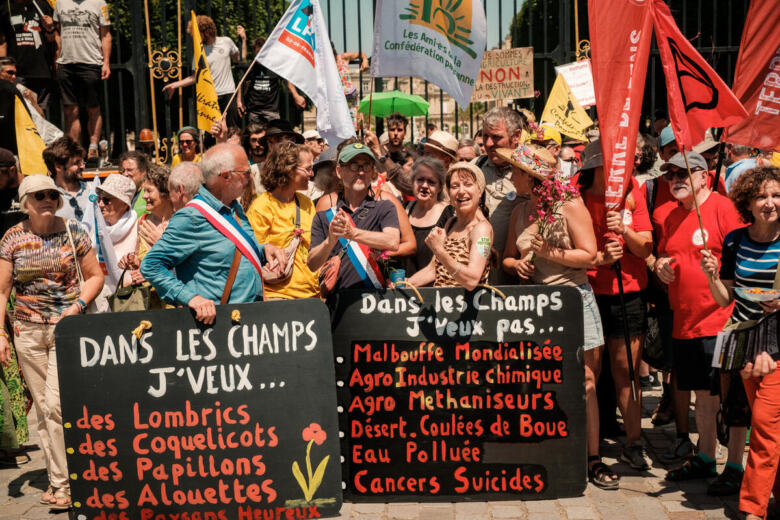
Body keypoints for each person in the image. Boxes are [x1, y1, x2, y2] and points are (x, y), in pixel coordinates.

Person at [501, 144, 609, 487]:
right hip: (537, 305)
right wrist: (516, 263)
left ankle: (593, 458)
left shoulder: (568, 205)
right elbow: (505, 256)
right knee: (542, 381)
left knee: (586, 383)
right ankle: (553, 451)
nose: (511, 175)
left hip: (574, 299)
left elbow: (590, 255)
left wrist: (549, 251)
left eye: (516, 171)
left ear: (530, 177)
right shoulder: (520, 210)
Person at [0, 175, 103, 509]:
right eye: (39, 195)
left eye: (51, 194)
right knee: (45, 411)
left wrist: (76, 308)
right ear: (25, 201)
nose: (47, 199)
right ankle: (62, 481)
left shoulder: (74, 232)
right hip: (27, 334)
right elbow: (2, 291)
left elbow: (96, 276)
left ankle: (67, 484)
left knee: (56, 406)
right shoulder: (12, 237)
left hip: (66, 329)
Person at [653, 151, 745, 487]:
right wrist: (661, 266)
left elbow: (743, 255)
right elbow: (667, 256)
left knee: (732, 396)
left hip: (722, 319)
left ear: (704, 176)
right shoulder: (670, 216)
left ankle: (734, 466)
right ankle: (706, 456)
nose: (676, 180)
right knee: (701, 396)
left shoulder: (723, 208)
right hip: (686, 321)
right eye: (670, 175)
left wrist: (719, 271)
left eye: (684, 174)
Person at [700, 167, 780, 508]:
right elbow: (724, 298)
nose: (770, 203)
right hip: (745, 345)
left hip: (778, 346)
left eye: (776, 194)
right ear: (747, 201)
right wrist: (711, 276)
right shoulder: (734, 240)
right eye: (762, 196)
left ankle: (752, 508)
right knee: (769, 427)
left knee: (763, 427)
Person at [141, 144, 285, 324]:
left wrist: (263, 250)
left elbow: (228, 250)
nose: (251, 178)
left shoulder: (234, 207)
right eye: (245, 173)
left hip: (248, 321)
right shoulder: (191, 217)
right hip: (218, 326)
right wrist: (190, 298)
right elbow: (151, 265)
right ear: (226, 176)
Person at [577, 139, 654, 472]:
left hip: (628, 291)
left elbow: (645, 246)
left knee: (626, 372)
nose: (621, 172)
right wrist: (599, 256)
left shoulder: (632, 191)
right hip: (588, 292)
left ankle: (634, 443)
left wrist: (623, 229)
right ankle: (589, 447)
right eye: (613, 165)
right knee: (589, 375)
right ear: (595, 166)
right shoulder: (575, 197)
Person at [308, 143, 400, 294]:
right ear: (339, 171)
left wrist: (352, 233)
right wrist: (330, 241)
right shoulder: (324, 216)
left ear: (372, 173)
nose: (361, 172)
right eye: (354, 166)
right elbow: (312, 264)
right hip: (338, 305)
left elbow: (392, 242)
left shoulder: (384, 207)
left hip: (377, 303)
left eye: (366, 166)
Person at [247, 142, 318, 300]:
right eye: (307, 169)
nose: (311, 174)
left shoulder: (306, 203)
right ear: (289, 170)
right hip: (278, 298)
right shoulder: (262, 207)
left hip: (312, 296)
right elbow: (252, 259)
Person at [407, 162, 491, 289]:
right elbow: (432, 270)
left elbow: (471, 281)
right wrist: (405, 284)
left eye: (468, 184)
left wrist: (439, 250)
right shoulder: (450, 223)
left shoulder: (481, 228)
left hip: (467, 306)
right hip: (443, 304)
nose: (461, 191)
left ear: (480, 191)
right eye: (455, 186)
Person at [53, 0, 111, 156]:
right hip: (66, 62)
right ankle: (74, 151)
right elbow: (57, 32)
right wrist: (57, 56)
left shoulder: (99, 3)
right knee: (70, 109)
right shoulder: (60, 3)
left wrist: (106, 62)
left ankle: (93, 147)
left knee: (93, 107)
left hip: (91, 61)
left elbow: (105, 34)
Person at [475, 106, 526, 283]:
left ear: (516, 136)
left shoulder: (530, 174)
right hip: (479, 278)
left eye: (496, 137)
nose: (488, 143)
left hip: (519, 280)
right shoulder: (475, 168)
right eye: (485, 136)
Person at [162, 15, 241, 127]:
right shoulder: (199, 52)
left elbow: (240, 59)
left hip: (229, 93)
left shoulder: (226, 41)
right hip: (210, 97)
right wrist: (175, 85)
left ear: (207, 32)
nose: (195, 37)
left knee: (232, 130)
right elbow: (195, 77)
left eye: (196, 34)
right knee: (211, 133)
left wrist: (243, 39)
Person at [117, 163, 174, 292]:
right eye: (144, 191)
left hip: (172, 303)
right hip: (148, 302)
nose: (144, 196)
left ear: (164, 194)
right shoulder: (143, 221)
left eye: (149, 191)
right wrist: (132, 261)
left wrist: (161, 244)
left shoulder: (178, 223)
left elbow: (184, 267)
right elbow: (140, 260)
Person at [0, 0, 56, 110]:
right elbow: (2, 42)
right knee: (18, 111)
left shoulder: (42, 5)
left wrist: (50, 28)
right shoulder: (5, 7)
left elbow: (53, 39)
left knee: (40, 114)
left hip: (41, 71)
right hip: (17, 73)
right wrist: (2, 69)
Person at [403, 157, 454, 277]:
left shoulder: (450, 215)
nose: (425, 185)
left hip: (435, 292)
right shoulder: (403, 210)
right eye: (420, 180)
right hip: (402, 290)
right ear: (412, 182)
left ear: (440, 187)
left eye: (431, 182)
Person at [238, 36, 306, 124]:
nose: (260, 55)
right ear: (254, 52)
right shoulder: (251, 67)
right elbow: (241, 82)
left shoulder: (275, 67)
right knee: (256, 136)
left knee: (273, 136)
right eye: (258, 52)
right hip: (254, 111)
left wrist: (296, 95)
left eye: (263, 52)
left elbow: (287, 81)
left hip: (271, 111)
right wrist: (239, 101)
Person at [94, 173, 138, 299]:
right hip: (97, 301)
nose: (101, 204)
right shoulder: (95, 229)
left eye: (106, 200)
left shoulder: (139, 228)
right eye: (99, 199)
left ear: (124, 204)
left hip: (126, 301)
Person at [43, 136, 96, 234]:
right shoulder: (47, 197)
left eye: (82, 161)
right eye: (76, 163)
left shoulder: (92, 189)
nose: (83, 166)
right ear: (58, 167)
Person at [119, 150, 151, 217]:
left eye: (129, 170)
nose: (125, 174)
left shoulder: (151, 193)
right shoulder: (121, 193)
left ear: (143, 171)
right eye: (123, 171)